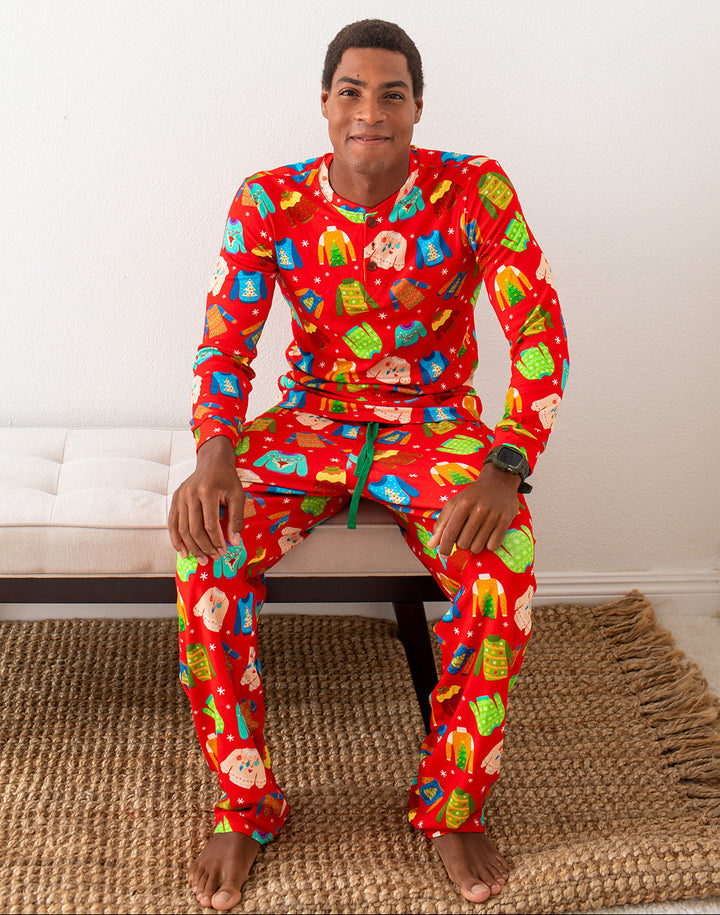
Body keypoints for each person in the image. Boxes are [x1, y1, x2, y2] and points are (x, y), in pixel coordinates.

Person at [169, 18, 568, 910]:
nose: (370, 112)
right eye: (351, 91)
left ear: (418, 108)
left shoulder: (476, 189)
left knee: (503, 568)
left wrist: (506, 465)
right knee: (207, 559)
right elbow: (227, 345)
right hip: (309, 423)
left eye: (392, 94)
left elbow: (537, 328)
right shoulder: (268, 198)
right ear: (324, 104)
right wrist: (216, 453)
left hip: (435, 427)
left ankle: (454, 801)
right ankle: (245, 803)